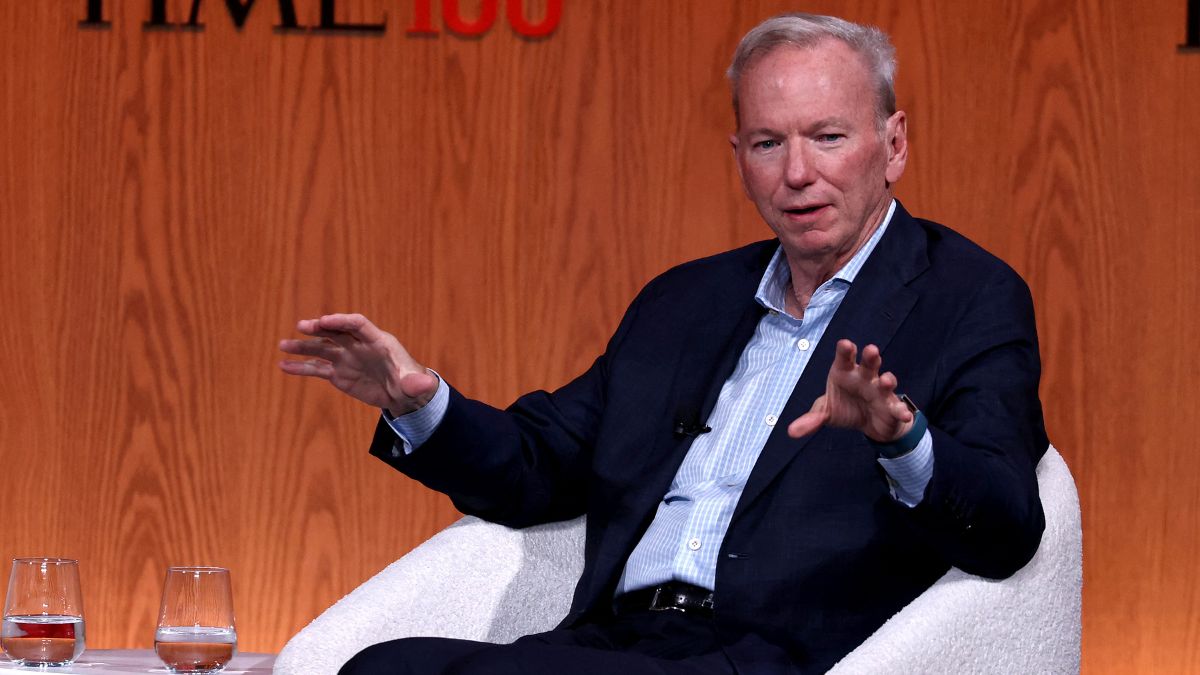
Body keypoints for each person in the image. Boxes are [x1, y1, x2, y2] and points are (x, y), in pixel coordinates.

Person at [279, 12, 1048, 675]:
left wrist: (902, 437)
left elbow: (1009, 525)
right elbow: (540, 464)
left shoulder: (970, 297)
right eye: (767, 143)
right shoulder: (685, 302)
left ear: (894, 143)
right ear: (739, 157)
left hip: (771, 654)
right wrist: (420, 404)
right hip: (622, 641)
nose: (799, 173)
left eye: (829, 137)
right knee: (382, 666)